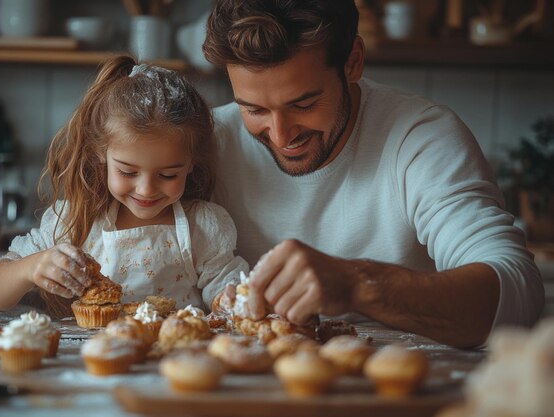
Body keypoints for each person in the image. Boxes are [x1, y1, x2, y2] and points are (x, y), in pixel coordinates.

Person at [202, 0, 544, 348]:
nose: (280, 135)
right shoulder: (208, 145)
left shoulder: (421, 137)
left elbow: (517, 297)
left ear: (353, 62)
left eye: (303, 104)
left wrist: (358, 285)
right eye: (254, 109)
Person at [0, 56, 248, 316]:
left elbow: (226, 293)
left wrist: (232, 300)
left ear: (191, 163)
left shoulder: (201, 226)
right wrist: (31, 268)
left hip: (175, 357)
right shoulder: (74, 223)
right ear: (101, 154)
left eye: (168, 175)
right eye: (127, 171)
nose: (146, 189)